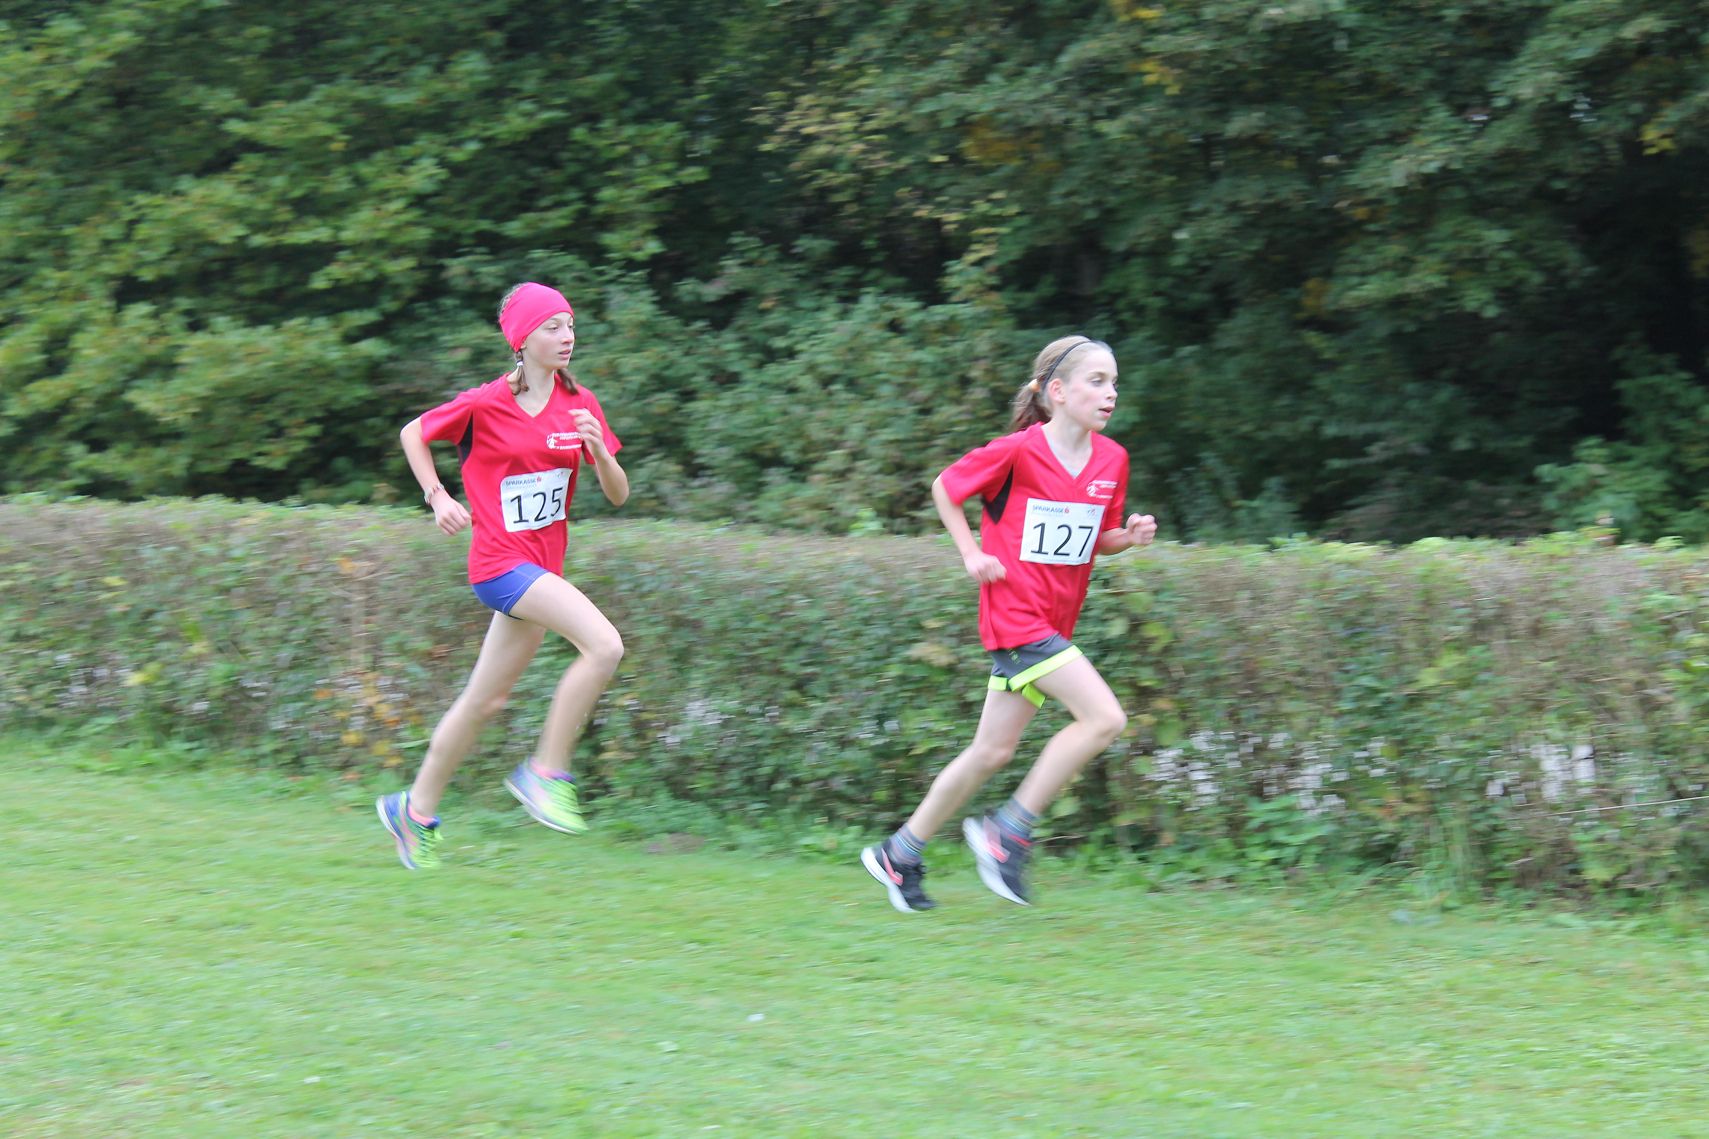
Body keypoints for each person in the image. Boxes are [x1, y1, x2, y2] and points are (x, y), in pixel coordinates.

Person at [861, 335, 1157, 911]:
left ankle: (899, 853)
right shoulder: (1018, 451)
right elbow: (945, 488)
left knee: (991, 751)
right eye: (1097, 381)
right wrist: (970, 552)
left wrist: (1129, 537)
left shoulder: (1112, 459)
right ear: (1057, 391)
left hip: (1054, 622)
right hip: (1015, 615)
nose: (1111, 393)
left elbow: (1097, 539)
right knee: (1104, 718)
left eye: (1114, 383)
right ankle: (1008, 831)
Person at [377, 282, 629, 870]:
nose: (567, 336)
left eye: (570, 325)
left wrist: (600, 453)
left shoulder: (581, 403)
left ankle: (414, 811)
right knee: (604, 646)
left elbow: (618, 495)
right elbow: (414, 432)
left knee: (484, 700)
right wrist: (437, 496)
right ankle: (546, 771)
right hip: (499, 565)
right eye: (552, 327)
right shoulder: (485, 403)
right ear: (522, 338)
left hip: (540, 571)